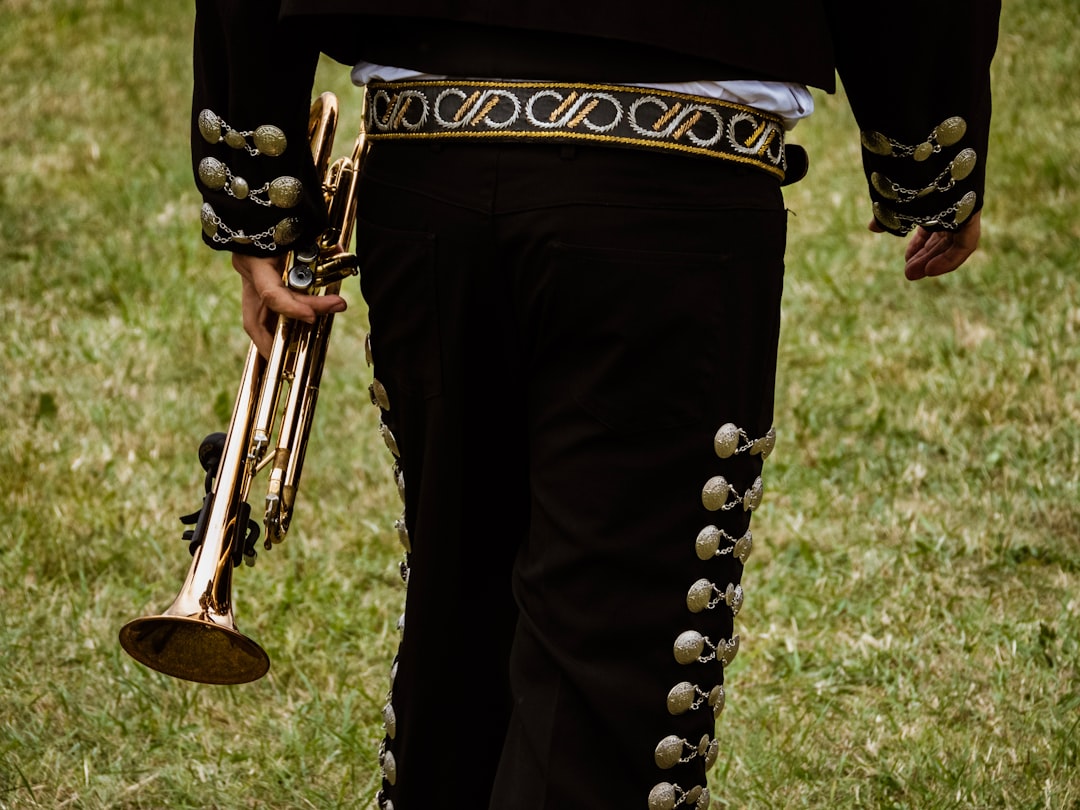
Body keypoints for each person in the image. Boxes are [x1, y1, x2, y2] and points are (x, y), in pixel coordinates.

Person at [191, 3, 1000, 807]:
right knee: (606, 663)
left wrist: (255, 189)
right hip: (674, 169)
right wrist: (927, 143)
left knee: (459, 631)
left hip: (432, 150)